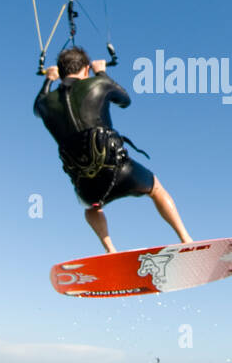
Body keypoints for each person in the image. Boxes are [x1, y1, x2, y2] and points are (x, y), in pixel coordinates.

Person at [34, 47, 191, 253]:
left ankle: (110, 250)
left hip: (87, 187)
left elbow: (37, 105)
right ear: (86, 69)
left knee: (90, 209)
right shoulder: (98, 83)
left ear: (61, 73)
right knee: (156, 189)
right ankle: (186, 239)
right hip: (121, 171)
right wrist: (101, 72)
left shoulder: (45, 103)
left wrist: (49, 79)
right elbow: (125, 100)